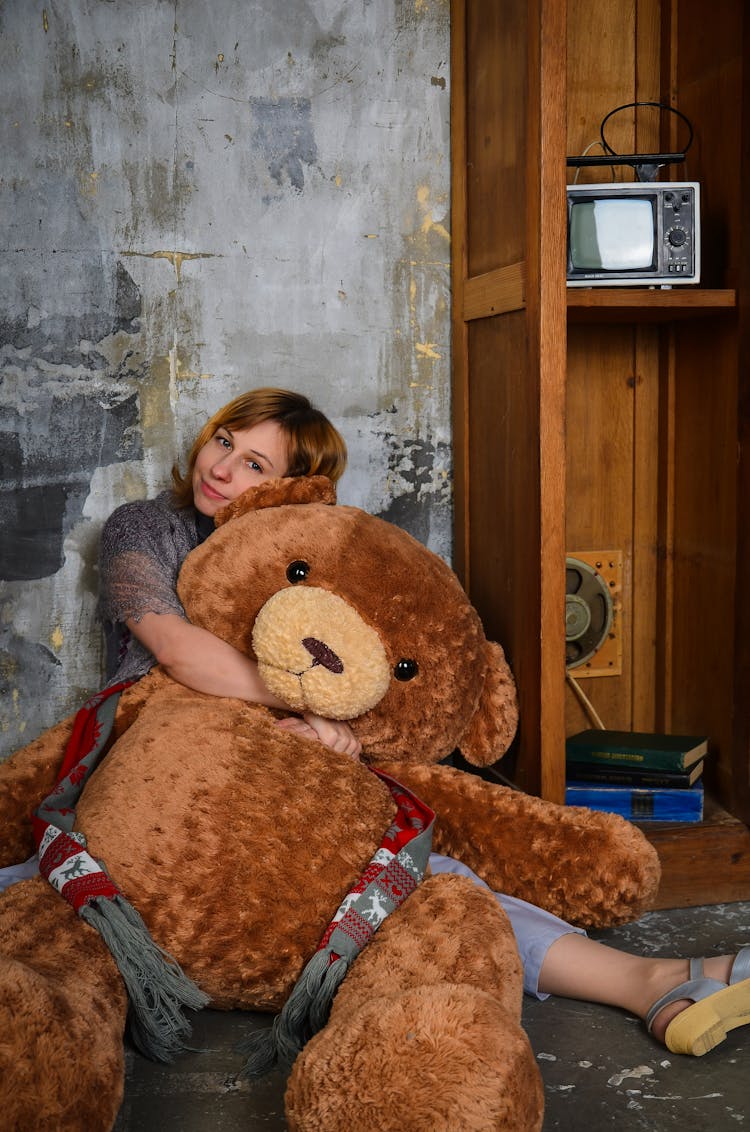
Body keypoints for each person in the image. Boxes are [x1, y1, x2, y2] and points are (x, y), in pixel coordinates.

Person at [2, 386, 748, 1058]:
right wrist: (307, 699)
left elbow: (361, 678)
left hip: (276, 788)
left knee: (422, 878)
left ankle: (654, 980)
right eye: (226, 440)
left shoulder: (308, 557)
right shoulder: (147, 528)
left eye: (256, 464)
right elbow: (175, 648)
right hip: (149, 783)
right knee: (34, 896)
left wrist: (343, 737)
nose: (223, 468)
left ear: (293, 489)